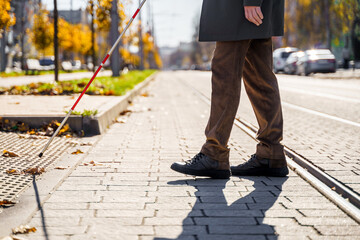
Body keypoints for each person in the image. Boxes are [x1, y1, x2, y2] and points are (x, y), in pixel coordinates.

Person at [171, 0, 289, 179]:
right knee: (259, 77)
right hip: (254, 8)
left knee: (225, 74)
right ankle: (270, 153)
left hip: (239, 8)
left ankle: (214, 152)